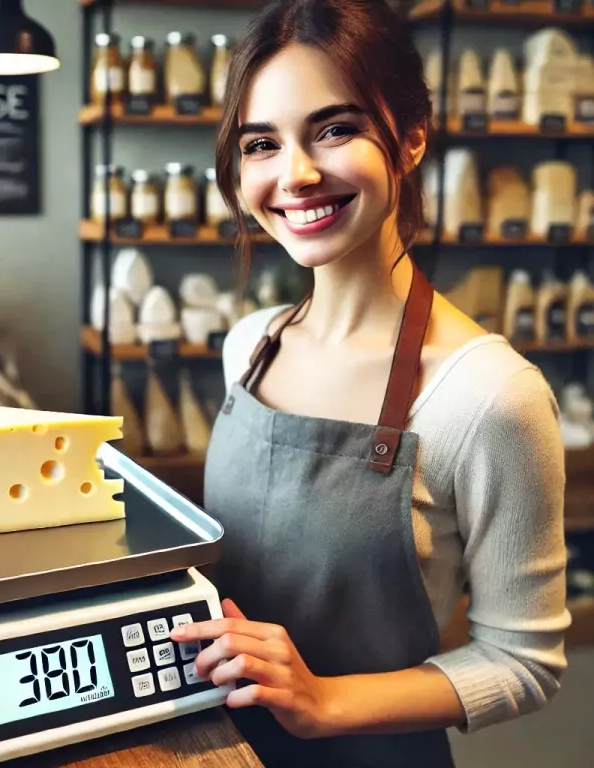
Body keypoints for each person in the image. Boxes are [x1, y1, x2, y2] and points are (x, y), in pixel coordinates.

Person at [168, 1, 570, 766]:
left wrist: (322, 701)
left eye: (335, 129)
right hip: (218, 742)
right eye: (262, 143)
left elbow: (524, 662)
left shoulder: (486, 395)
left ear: (411, 137)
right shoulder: (249, 348)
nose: (296, 174)